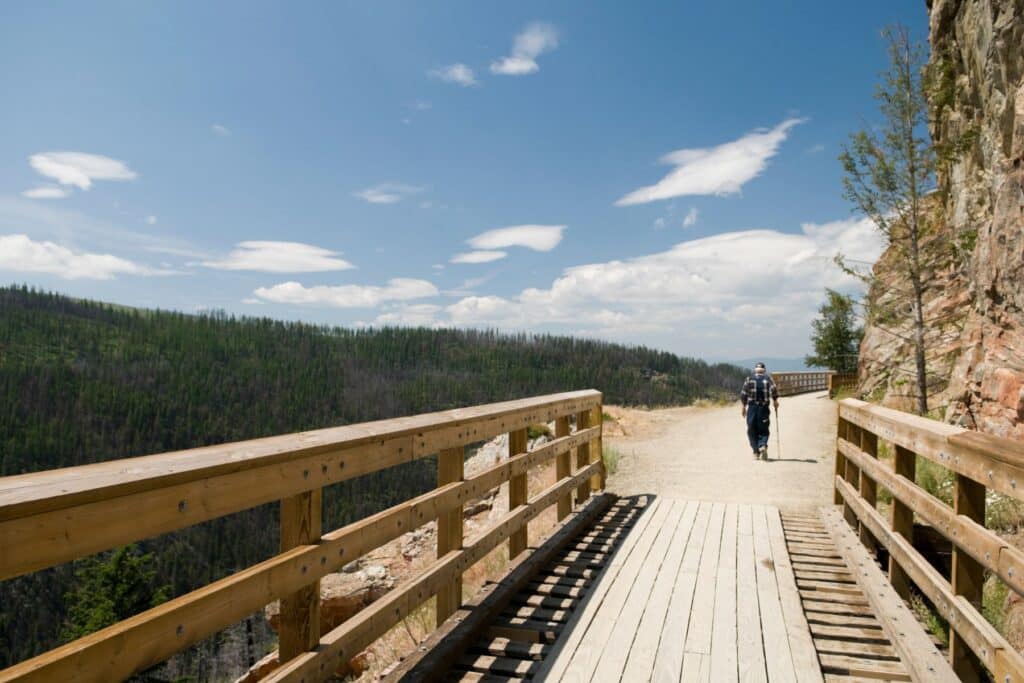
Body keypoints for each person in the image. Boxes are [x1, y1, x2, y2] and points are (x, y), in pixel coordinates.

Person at [740, 362, 779, 459]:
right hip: (764, 407)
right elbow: (774, 389)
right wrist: (775, 400)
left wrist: (743, 406)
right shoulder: (768, 378)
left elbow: (744, 393)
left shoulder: (749, 379)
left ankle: (755, 451)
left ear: (755, 370)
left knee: (751, 429)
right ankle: (762, 445)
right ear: (764, 370)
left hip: (752, 407)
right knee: (764, 428)